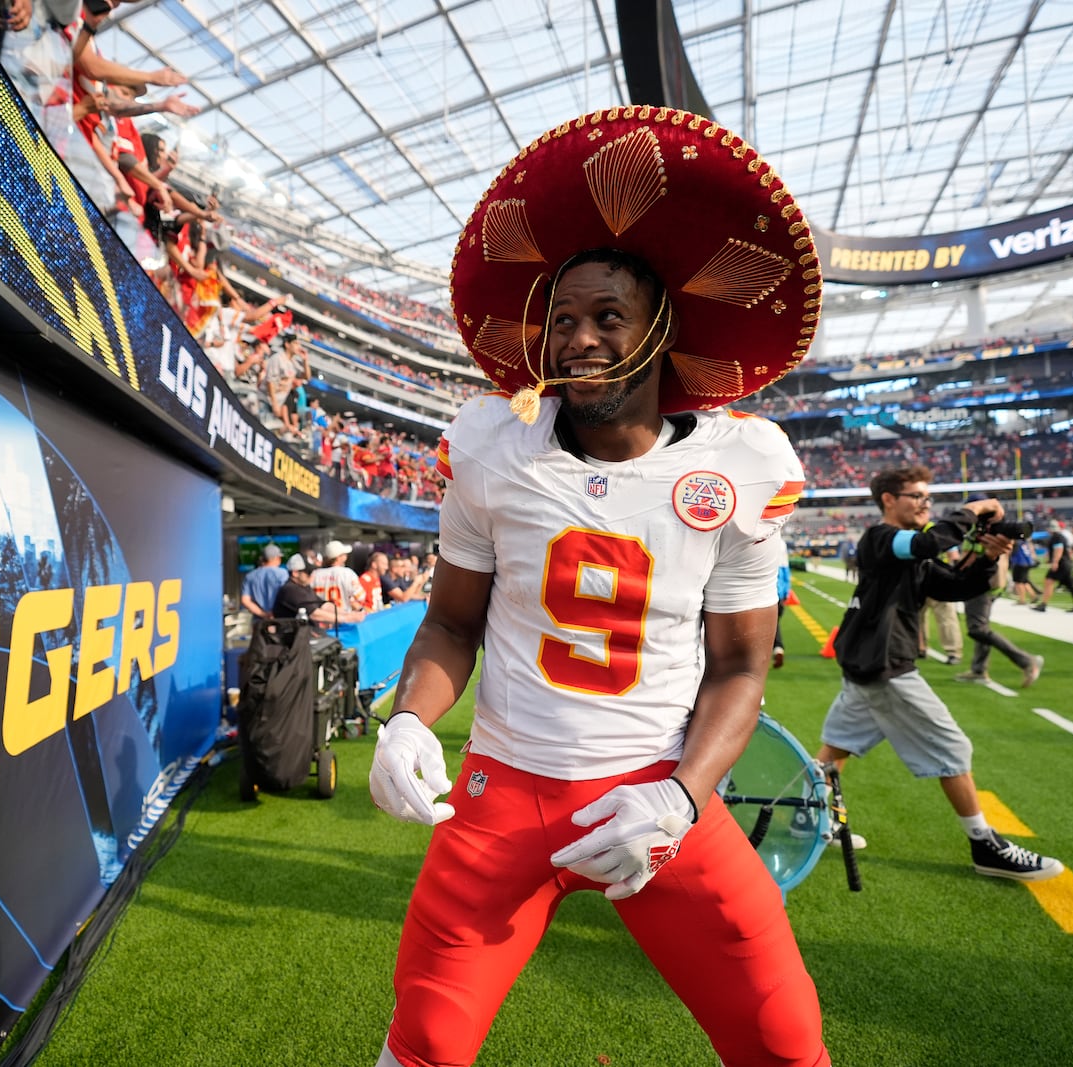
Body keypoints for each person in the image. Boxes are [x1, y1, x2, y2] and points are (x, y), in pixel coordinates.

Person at [367, 108, 828, 1067]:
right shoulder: (494, 448)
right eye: (562, 320)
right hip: (503, 792)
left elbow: (741, 667)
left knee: (784, 1037)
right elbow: (452, 624)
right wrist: (409, 720)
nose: (576, 339)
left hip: (657, 793)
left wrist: (681, 800)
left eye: (605, 317)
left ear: (661, 331)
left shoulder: (740, 466)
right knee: (426, 1043)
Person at [815, 465, 1063, 882]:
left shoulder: (910, 553)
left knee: (834, 750)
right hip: (886, 665)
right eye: (917, 497)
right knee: (954, 750)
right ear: (888, 500)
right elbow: (929, 543)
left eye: (929, 499)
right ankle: (984, 844)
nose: (925, 505)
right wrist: (972, 509)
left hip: (870, 663)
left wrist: (985, 558)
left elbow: (955, 586)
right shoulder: (881, 538)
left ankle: (809, 818)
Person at [953, 498, 1042, 687]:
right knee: (981, 625)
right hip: (993, 582)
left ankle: (1026, 661)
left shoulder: (983, 532)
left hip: (980, 583)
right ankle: (978, 669)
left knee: (978, 629)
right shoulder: (992, 530)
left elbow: (972, 560)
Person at [272, 553, 364, 628]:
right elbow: (314, 614)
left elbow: (323, 605)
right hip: (292, 640)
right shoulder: (290, 590)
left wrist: (348, 613)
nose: (312, 575)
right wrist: (346, 618)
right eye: (309, 572)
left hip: (304, 637)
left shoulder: (304, 586)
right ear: (295, 573)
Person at [1032, 520, 1073, 613]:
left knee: (1048, 581)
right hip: (1065, 563)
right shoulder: (1059, 536)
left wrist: (1055, 562)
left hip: (1061, 564)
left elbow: (1059, 549)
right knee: (1070, 585)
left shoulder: (1057, 537)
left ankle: (1043, 604)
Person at [310, 539, 366, 613]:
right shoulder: (347, 573)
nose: (346, 557)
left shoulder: (314, 574)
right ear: (338, 557)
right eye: (344, 554)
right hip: (343, 618)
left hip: (321, 619)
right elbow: (361, 596)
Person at [238, 542, 287, 620]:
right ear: (276, 558)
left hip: (258, 622)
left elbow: (245, 600)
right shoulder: (283, 574)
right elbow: (287, 596)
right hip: (279, 619)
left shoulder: (250, 576)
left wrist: (263, 614)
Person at [1007, 534, 1037, 605]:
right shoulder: (1024, 541)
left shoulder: (1016, 542)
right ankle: (1033, 596)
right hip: (1027, 562)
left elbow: (1012, 551)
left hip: (1020, 562)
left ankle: (1022, 600)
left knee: (1018, 582)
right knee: (1024, 580)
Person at [773, 560, 791, 669]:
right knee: (775, 623)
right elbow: (786, 575)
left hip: (762, 594)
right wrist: (785, 594)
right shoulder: (781, 546)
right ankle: (778, 648)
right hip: (778, 594)